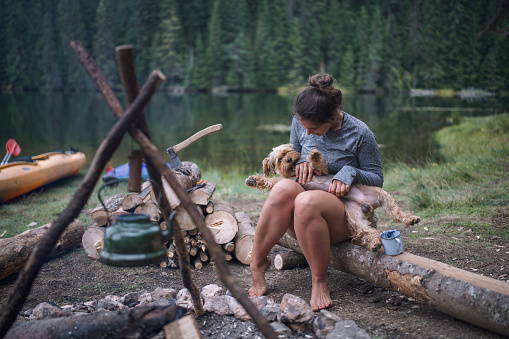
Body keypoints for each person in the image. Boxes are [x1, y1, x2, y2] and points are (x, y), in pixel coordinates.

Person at [248, 73, 384, 311]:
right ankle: (257, 263)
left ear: (332, 116)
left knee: (306, 201)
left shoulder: (361, 133)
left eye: (314, 128)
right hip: (299, 221)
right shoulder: (301, 123)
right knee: (282, 188)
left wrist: (349, 172)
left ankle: (320, 280)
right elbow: (293, 157)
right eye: (303, 126)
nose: (307, 133)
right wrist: (297, 164)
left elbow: (377, 181)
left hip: (343, 217)